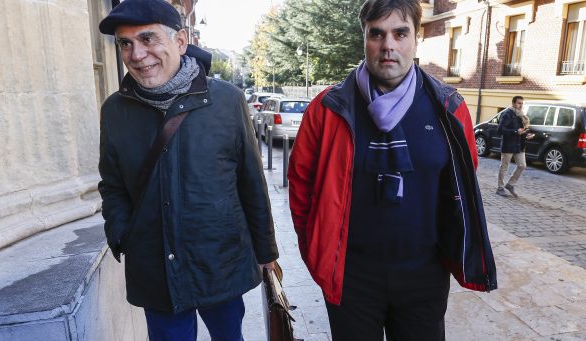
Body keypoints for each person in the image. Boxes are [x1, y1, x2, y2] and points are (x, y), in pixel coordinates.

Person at [287, 0, 497, 339]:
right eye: (377, 34)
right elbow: (300, 185)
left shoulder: (449, 109)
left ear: (417, 39)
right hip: (350, 277)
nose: (389, 45)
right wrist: (315, 250)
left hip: (424, 276)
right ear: (364, 38)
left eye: (400, 33)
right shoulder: (327, 109)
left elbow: (462, 183)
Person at [97, 0, 278, 339]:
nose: (136, 54)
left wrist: (266, 250)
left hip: (219, 260)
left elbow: (250, 179)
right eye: (125, 43)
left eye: (148, 39)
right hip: (154, 266)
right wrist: (122, 234)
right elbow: (112, 183)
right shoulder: (115, 110)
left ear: (180, 41)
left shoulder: (227, 100)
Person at [496, 95, 531, 197]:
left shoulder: (521, 115)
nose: (520, 105)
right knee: (504, 167)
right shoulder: (507, 114)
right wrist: (515, 131)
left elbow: (522, 130)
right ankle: (500, 188)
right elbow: (500, 130)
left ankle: (510, 184)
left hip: (519, 145)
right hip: (508, 144)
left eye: (522, 103)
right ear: (513, 103)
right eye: (518, 103)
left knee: (522, 165)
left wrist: (527, 134)